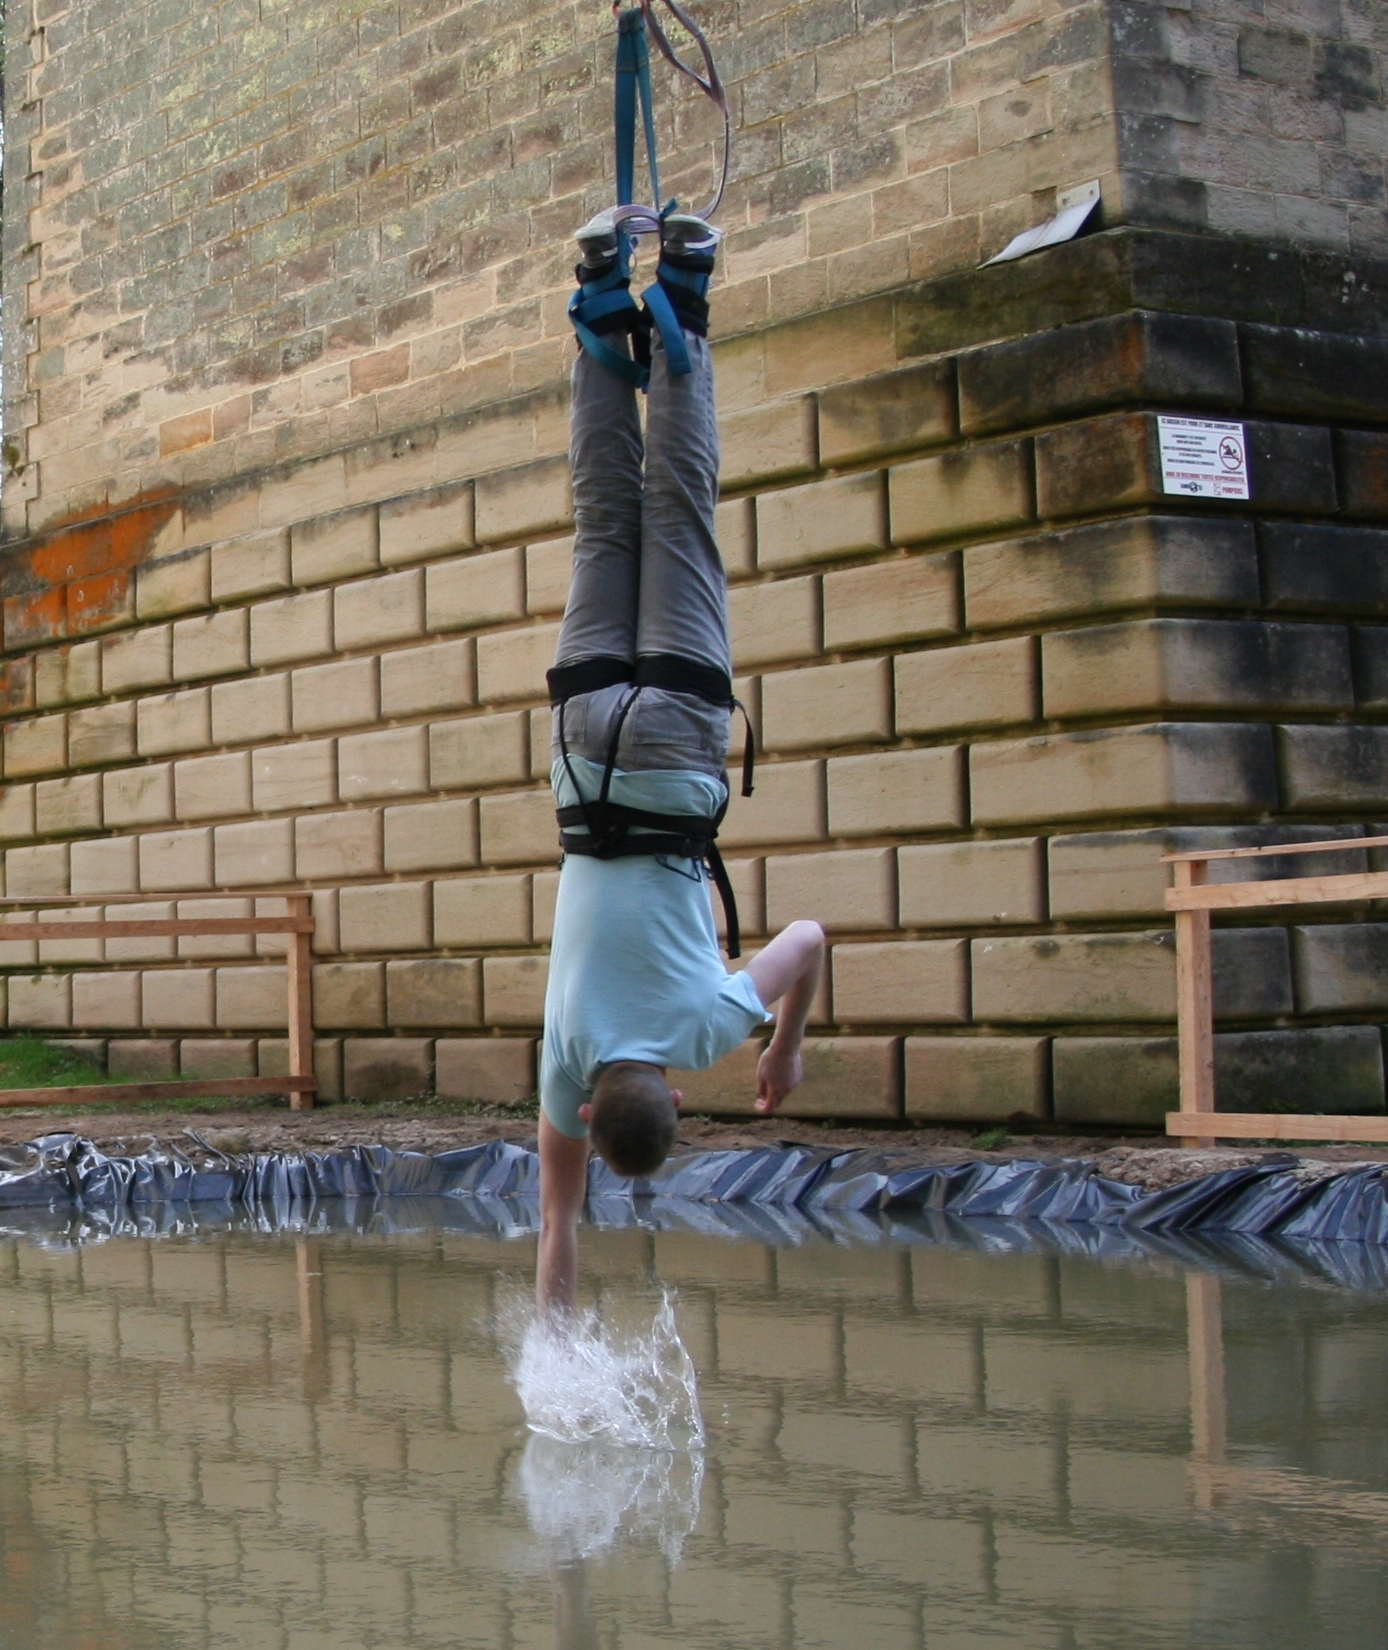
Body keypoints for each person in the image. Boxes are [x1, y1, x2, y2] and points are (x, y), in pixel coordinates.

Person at [536, 205, 826, 1318]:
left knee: (681, 513)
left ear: (675, 1098)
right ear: (597, 1111)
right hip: (583, 752)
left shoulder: (706, 1027)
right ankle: (601, 287)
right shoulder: (566, 1066)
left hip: (675, 750)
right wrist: (551, 1346)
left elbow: (808, 938)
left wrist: (783, 1051)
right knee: (604, 521)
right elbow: (556, 1223)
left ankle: (687, 288)